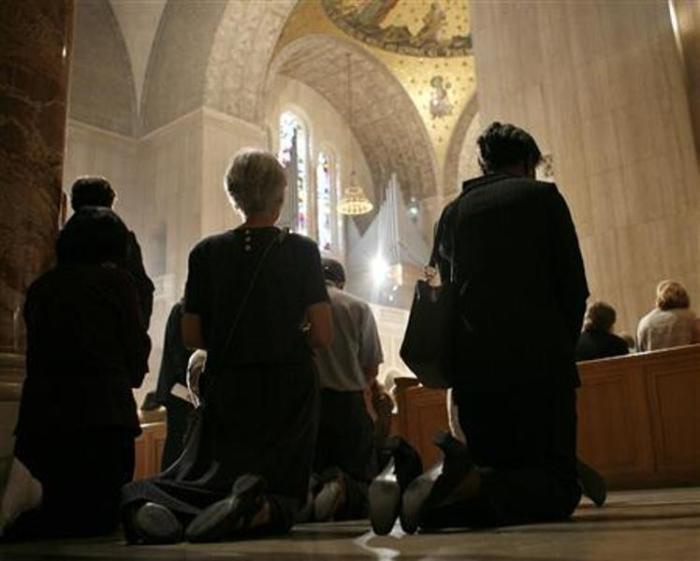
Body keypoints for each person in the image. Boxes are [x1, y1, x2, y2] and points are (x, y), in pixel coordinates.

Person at [121, 148, 333, 544]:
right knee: (284, 487)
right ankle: (256, 509)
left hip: (229, 386)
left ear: (233, 196)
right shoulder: (302, 251)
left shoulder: (205, 253)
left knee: (208, 475)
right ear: (280, 195)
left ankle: (159, 507)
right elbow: (322, 335)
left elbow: (192, 338)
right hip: (287, 390)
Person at [401, 122, 589, 532]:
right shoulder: (543, 197)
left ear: (484, 164)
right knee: (559, 488)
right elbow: (574, 286)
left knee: (495, 461)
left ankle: (449, 488)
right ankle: (451, 494)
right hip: (540, 368)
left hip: (476, 378)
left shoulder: (451, 214)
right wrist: (560, 346)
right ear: (526, 162)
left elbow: (445, 297)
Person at [2, 208, 150, 539]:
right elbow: (134, 348)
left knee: (62, 508)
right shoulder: (116, 283)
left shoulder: (42, 288)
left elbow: (36, 355)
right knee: (99, 520)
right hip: (103, 420)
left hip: (47, 424)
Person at [310, 258, 383, 522]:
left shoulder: (301, 308)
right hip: (349, 404)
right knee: (359, 474)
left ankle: (319, 493)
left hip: (311, 405)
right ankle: (342, 489)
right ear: (341, 281)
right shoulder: (357, 306)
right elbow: (371, 366)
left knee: (314, 468)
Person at [69, 176, 155, 327]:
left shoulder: (63, 238)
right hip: (113, 331)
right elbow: (143, 287)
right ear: (110, 203)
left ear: (73, 203)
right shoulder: (124, 240)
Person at [154, 299, 194, 470]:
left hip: (178, 391)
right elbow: (179, 356)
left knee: (176, 444)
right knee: (177, 445)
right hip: (179, 392)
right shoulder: (181, 312)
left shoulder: (180, 311)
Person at [637, 280, 697, 351]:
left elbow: (641, 350)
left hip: (655, 362)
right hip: (687, 361)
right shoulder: (690, 317)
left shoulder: (645, 321)